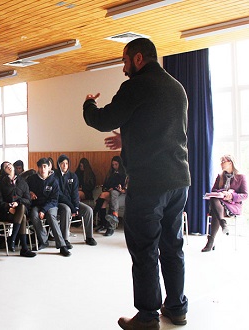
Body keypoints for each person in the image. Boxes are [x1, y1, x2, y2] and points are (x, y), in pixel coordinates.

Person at [83, 38, 190, 329]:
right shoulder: (177, 88)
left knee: (144, 249)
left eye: (125, 60)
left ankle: (147, 316)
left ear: (139, 58)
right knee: (172, 246)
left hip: (149, 183)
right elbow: (162, 130)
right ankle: (177, 308)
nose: (123, 67)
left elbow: (103, 120)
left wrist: (88, 104)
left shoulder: (136, 86)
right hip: (179, 180)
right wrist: (126, 139)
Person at [202, 155, 247, 252]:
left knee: (215, 211)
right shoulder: (220, 176)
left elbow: (245, 195)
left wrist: (231, 195)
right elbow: (213, 190)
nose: (221, 163)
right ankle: (223, 224)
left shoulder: (241, 177)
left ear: (230, 162)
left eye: (223, 161)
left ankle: (211, 241)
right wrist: (222, 193)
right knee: (214, 200)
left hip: (232, 205)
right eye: (221, 161)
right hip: (219, 204)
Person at [27, 158, 71, 257]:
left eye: (44, 166)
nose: (42, 169)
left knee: (51, 216)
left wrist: (43, 210)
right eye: (40, 167)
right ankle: (43, 241)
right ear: (37, 168)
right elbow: (24, 189)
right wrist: (30, 192)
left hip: (51, 205)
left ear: (48, 167)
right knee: (34, 215)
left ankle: (62, 245)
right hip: (37, 205)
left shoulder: (54, 180)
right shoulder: (32, 179)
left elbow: (54, 199)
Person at [0, 162, 36, 257]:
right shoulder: (0, 183)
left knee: (21, 206)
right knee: (23, 217)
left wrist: (18, 202)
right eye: (5, 166)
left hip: (20, 209)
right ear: (3, 171)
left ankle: (12, 238)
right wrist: (8, 206)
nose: (8, 166)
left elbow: (28, 200)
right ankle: (24, 248)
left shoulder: (23, 182)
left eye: (9, 164)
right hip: (5, 212)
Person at [55, 154, 97, 246]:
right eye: (62, 163)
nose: (65, 165)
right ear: (58, 164)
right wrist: (72, 207)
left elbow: (75, 193)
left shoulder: (73, 176)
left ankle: (89, 237)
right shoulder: (55, 176)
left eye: (66, 163)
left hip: (72, 202)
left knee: (88, 210)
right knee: (67, 210)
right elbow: (60, 195)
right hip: (60, 203)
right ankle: (65, 239)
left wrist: (76, 207)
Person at [94, 156, 127, 237]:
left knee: (104, 196)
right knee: (104, 201)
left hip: (119, 192)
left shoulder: (124, 174)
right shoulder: (111, 173)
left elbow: (123, 186)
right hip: (110, 191)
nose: (114, 166)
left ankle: (96, 215)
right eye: (113, 165)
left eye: (116, 164)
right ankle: (105, 224)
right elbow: (105, 184)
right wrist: (107, 188)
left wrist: (115, 188)